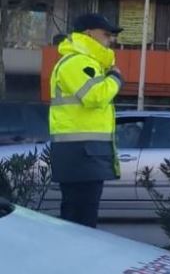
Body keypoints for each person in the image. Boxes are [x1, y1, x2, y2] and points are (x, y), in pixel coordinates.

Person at [49, 14, 124, 228]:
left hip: (84, 153)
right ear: (88, 33)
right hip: (80, 153)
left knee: (80, 217)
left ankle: (74, 257)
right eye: (106, 34)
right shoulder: (77, 62)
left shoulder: (86, 63)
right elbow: (95, 96)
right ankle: (74, 259)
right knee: (81, 219)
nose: (110, 40)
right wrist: (116, 78)